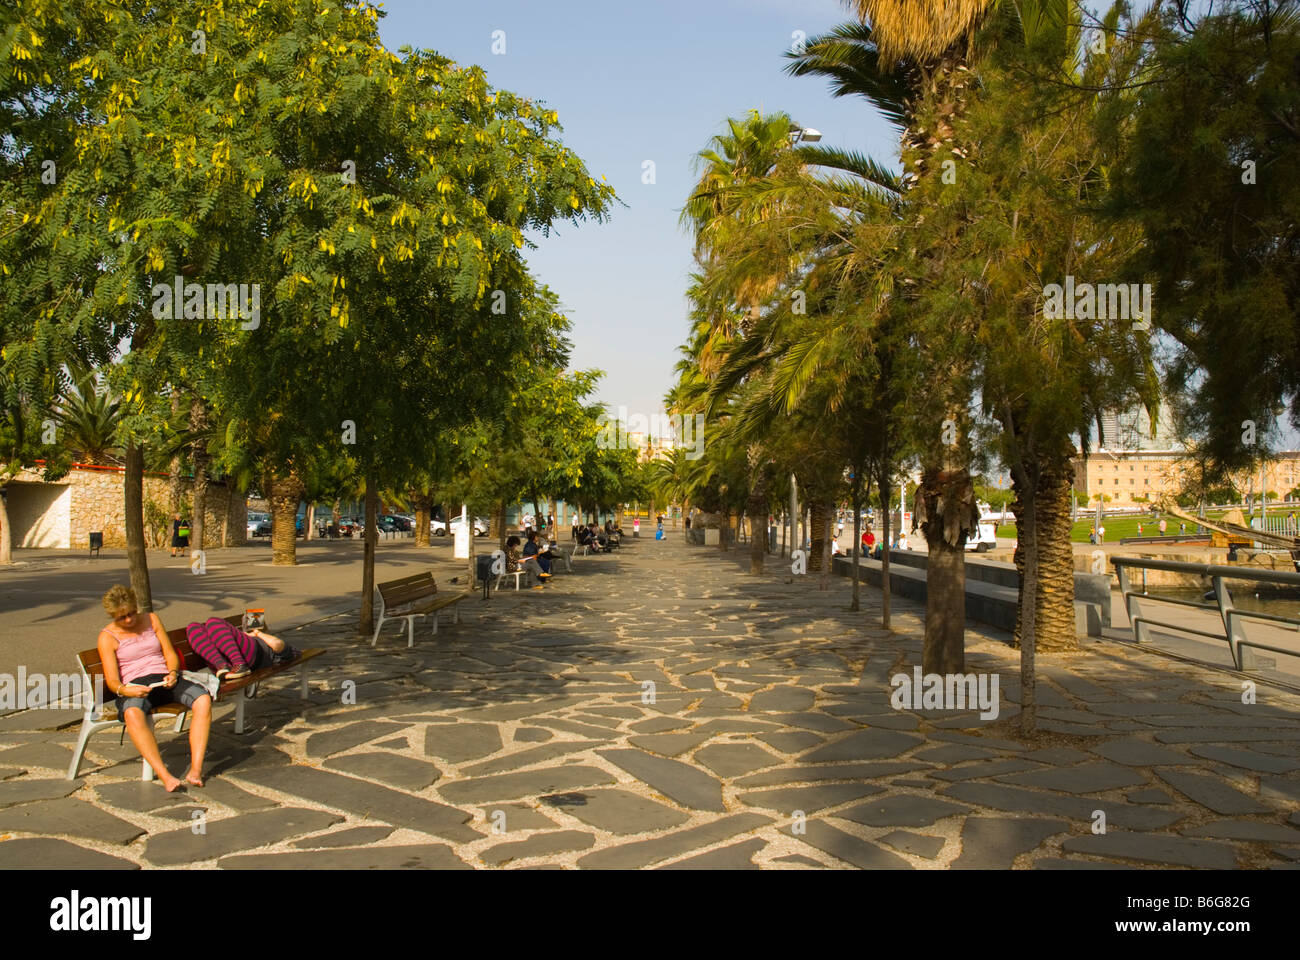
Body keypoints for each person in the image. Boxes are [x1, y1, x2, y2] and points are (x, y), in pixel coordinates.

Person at [97, 585, 212, 791]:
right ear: (112, 615)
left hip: (164, 678)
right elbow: (112, 681)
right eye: (122, 617)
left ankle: (195, 769)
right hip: (135, 685)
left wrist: (173, 673)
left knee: (202, 699)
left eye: (132, 613)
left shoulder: (152, 619)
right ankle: (165, 775)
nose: (129, 620)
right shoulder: (107, 637)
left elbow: (169, 654)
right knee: (133, 713)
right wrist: (126, 690)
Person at [186, 616, 294, 680]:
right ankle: (224, 666)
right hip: (234, 657)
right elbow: (276, 643)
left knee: (212, 622)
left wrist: (257, 634)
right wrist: (257, 633)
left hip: (250, 657)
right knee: (195, 626)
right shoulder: (284, 652)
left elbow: (277, 644)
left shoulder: (286, 653)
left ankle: (232, 665)